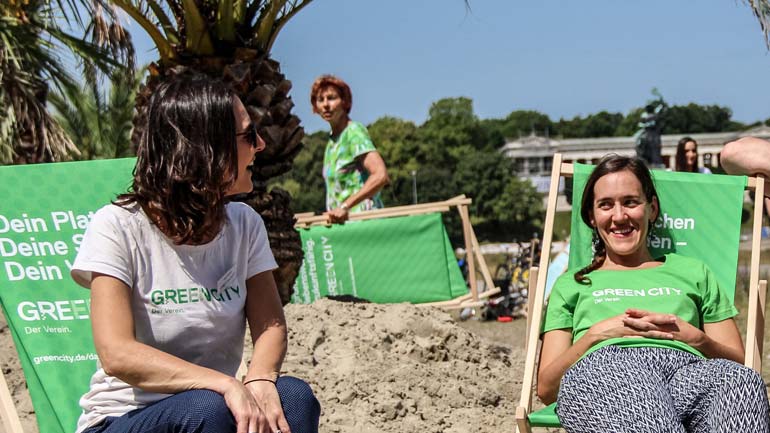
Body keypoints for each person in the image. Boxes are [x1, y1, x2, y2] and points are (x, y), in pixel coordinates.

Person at [70, 77, 320, 433]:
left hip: (212, 408)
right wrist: (223, 383)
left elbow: (270, 324)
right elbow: (117, 354)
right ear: (204, 148)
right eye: (249, 135)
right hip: (122, 418)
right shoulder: (118, 226)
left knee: (293, 398)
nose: (261, 145)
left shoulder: (244, 224)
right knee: (208, 409)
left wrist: (259, 379)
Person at [537, 154, 769, 432]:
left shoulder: (694, 271)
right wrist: (595, 336)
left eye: (631, 202)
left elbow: (739, 367)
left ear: (652, 209)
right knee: (631, 387)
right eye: (606, 205)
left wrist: (697, 339)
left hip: (688, 370)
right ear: (591, 216)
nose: (619, 216)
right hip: (605, 367)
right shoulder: (572, 284)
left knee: (740, 383)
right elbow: (547, 389)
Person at [310, 75, 389, 223]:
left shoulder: (353, 132)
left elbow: (380, 175)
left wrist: (345, 206)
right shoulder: (332, 141)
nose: (326, 104)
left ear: (345, 102)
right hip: (344, 228)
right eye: (320, 100)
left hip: (364, 223)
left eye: (331, 98)